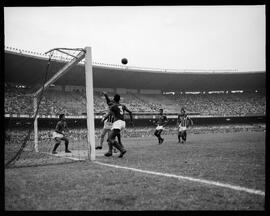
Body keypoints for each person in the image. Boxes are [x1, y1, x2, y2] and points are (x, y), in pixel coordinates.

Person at [103, 94, 133, 158]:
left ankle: (122, 150)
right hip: (123, 123)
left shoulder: (113, 106)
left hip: (117, 123)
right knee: (113, 138)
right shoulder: (123, 106)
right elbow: (130, 112)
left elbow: (109, 114)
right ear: (119, 99)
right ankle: (110, 151)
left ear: (114, 99)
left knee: (110, 139)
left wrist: (104, 119)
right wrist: (131, 121)